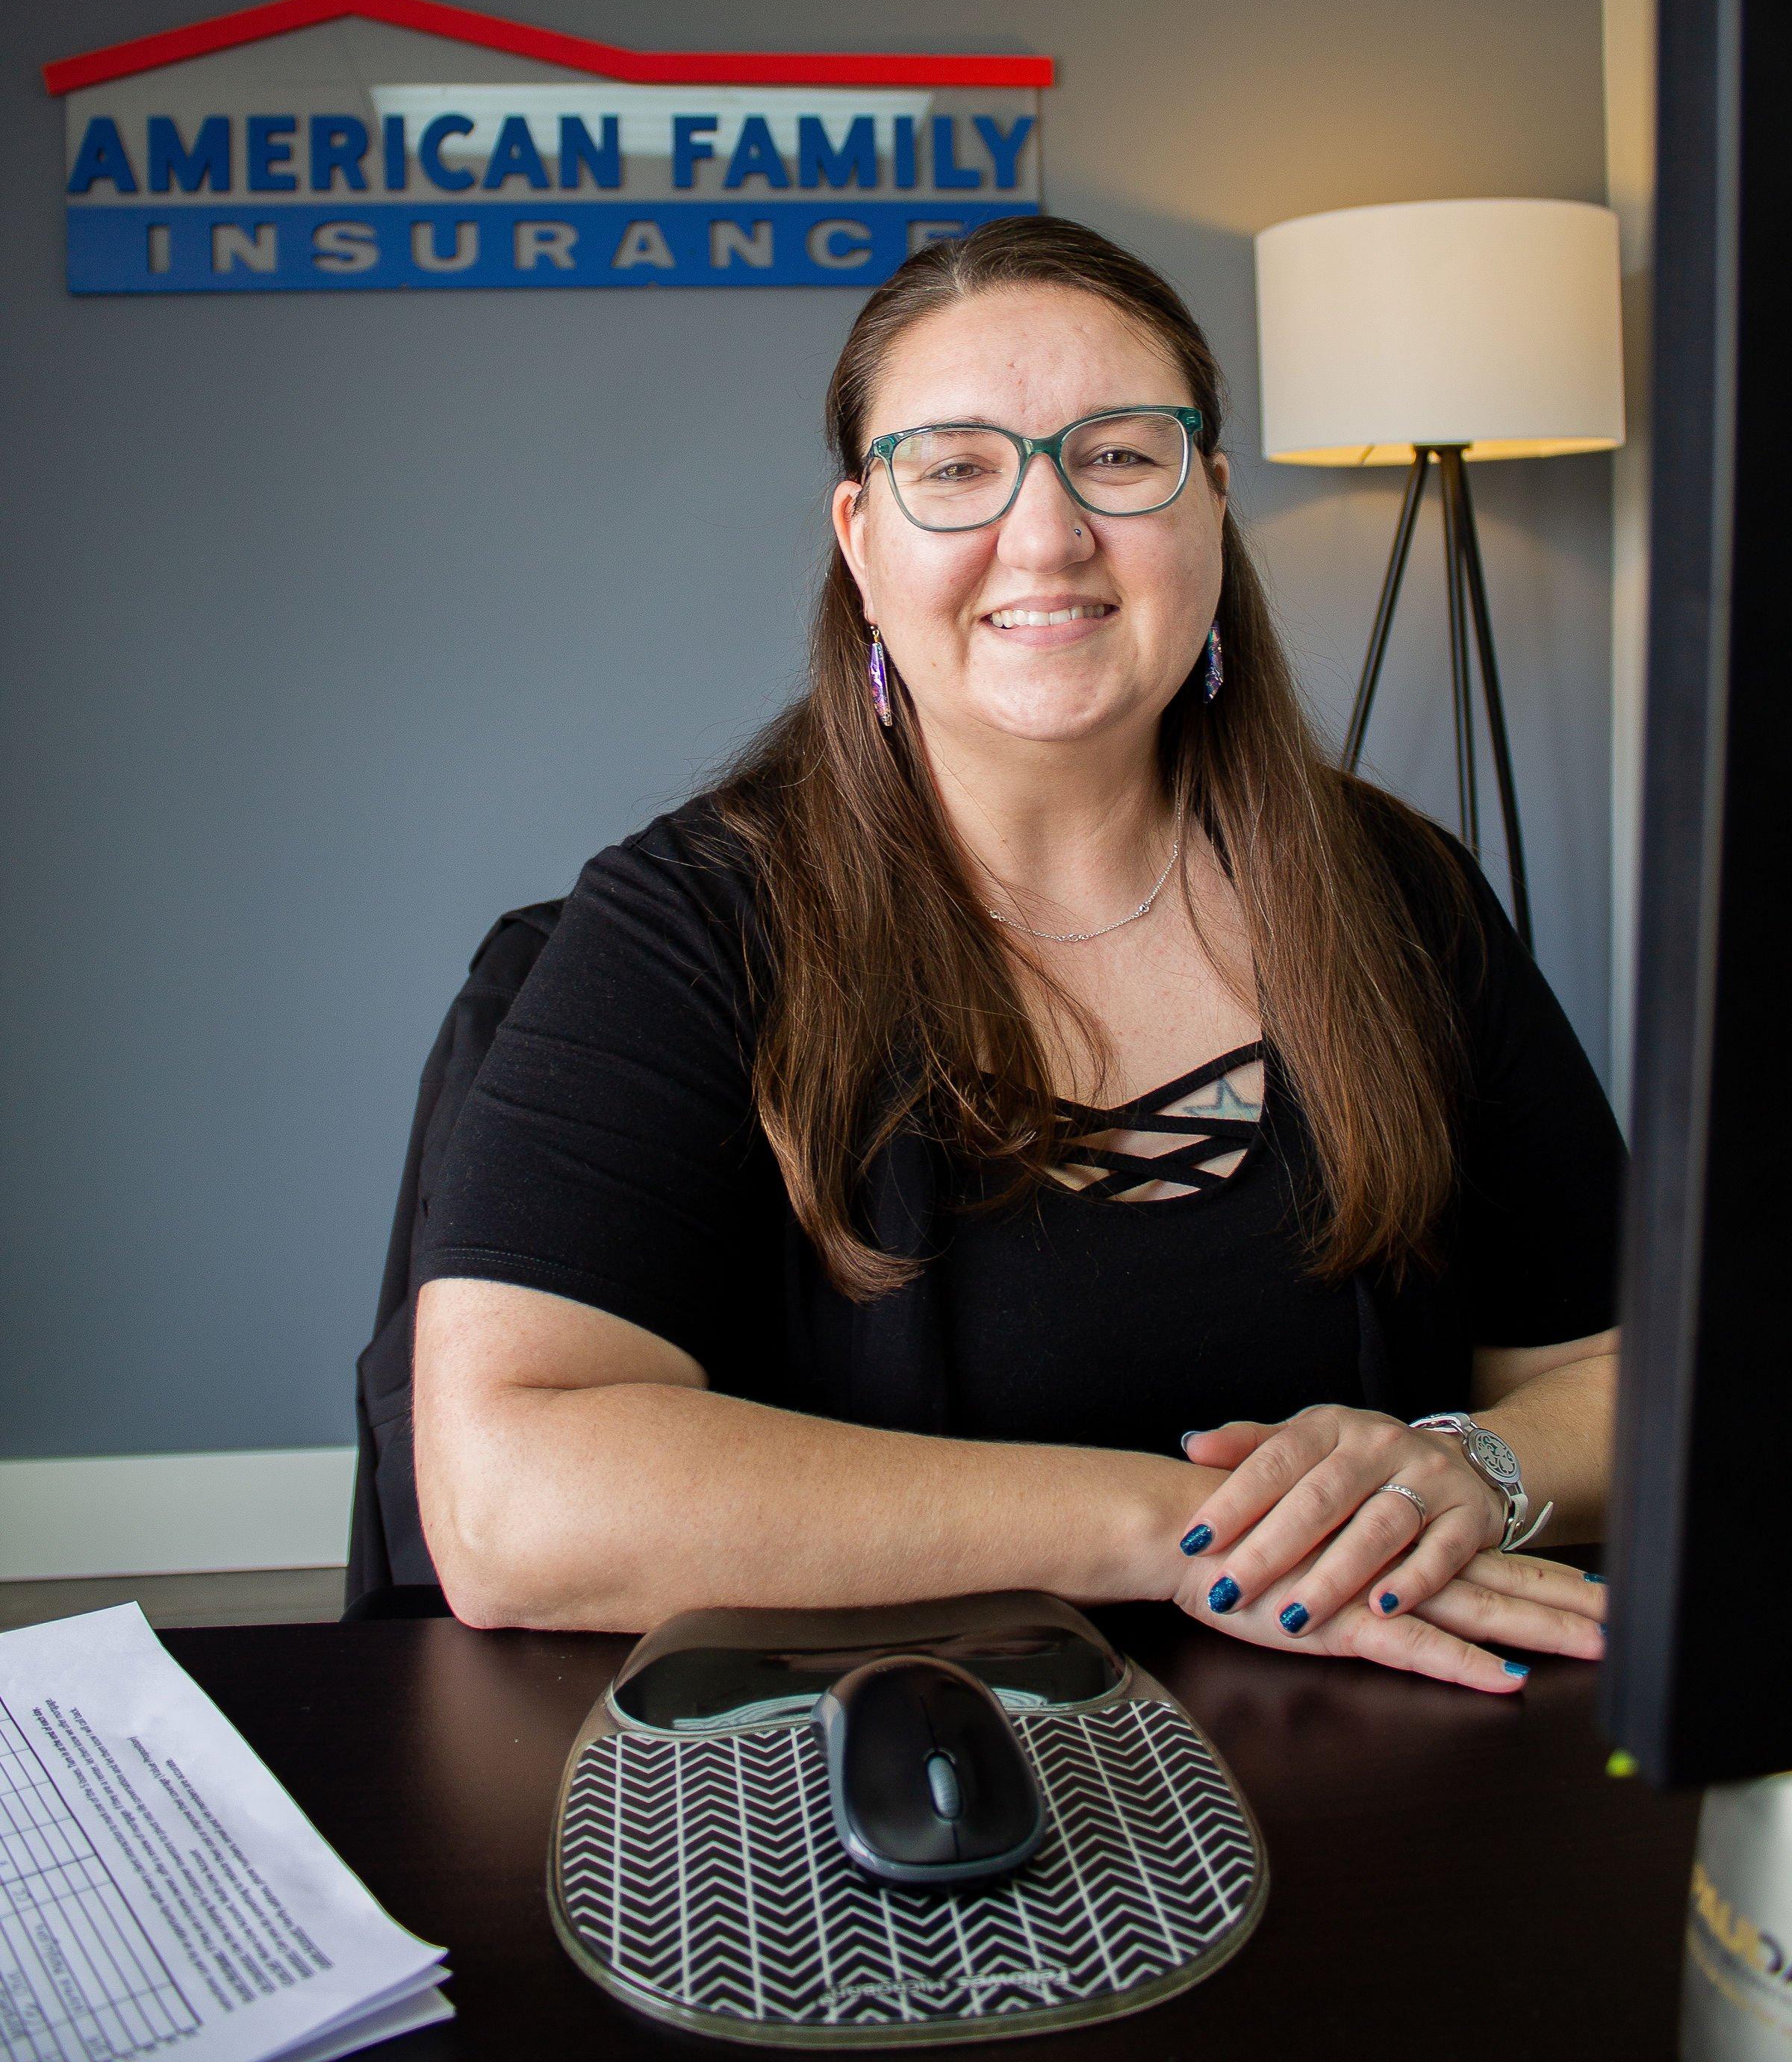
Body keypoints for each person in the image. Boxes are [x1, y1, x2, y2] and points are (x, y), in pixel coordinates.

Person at [412, 217, 1619, 1694]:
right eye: (958, 468)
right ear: (861, 538)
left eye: (1118, 456)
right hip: (867, 1793)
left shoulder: (1404, 898)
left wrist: (1473, 1472)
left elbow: (1632, 1374)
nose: (1047, 535)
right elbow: (505, 1504)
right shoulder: (686, 926)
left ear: (1213, 508)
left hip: (1387, 1783)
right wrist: (1182, 1532)